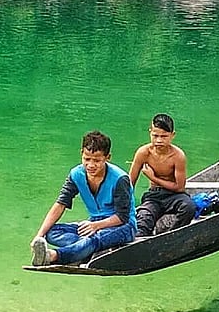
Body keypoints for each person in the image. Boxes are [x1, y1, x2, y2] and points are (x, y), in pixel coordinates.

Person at [30, 130, 137, 266]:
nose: (91, 165)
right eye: (87, 159)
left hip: (123, 226)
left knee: (92, 240)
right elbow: (60, 203)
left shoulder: (120, 179)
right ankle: (84, 249)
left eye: (97, 160)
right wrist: (39, 235)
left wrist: (96, 226)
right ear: (81, 153)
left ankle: (53, 256)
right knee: (51, 232)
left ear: (107, 157)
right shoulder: (76, 174)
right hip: (94, 223)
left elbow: (123, 217)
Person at [129, 113, 195, 237]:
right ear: (150, 133)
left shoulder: (178, 156)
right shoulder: (143, 152)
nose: (159, 140)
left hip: (175, 196)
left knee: (189, 207)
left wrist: (153, 178)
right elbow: (130, 183)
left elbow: (180, 187)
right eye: (155, 135)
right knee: (144, 217)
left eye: (164, 136)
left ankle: (172, 236)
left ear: (172, 135)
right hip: (154, 195)